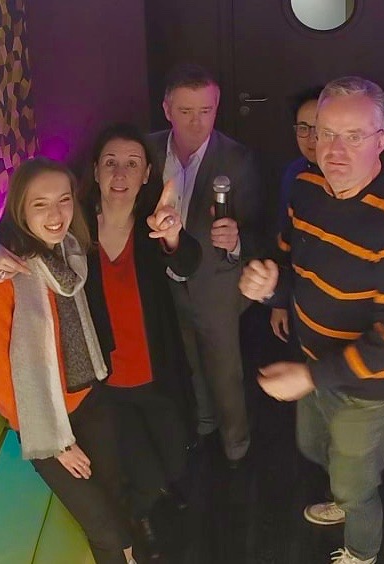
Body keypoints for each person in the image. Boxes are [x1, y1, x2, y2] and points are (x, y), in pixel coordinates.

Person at [239, 76, 384, 564]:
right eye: (326, 133)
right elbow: (294, 270)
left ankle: (361, 548)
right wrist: (269, 287)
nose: (335, 150)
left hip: (372, 387)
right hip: (316, 364)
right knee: (315, 447)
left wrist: (309, 376)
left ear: (381, 142)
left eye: (354, 136)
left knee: (356, 481)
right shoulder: (306, 187)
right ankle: (345, 492)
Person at [0, 125, 201, 559]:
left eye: (132, 164)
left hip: (133, 380)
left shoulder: (93, 242)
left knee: (161, 470)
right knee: (116, 506)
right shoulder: (61, 242)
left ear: (147, 173)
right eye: (110, 162)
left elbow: (187, 261)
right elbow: (14, 238)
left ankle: (140, 536)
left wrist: (172, 234)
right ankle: (134, 542)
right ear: (94, 171)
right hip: (98, 389)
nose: (120, 173)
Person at [0, 157, 137, 564]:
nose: (56, 214)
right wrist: (59, 444)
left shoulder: (69, 252)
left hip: (88, 397)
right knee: (103, 525)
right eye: (40, 204)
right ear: (20, 209)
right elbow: (3, 390)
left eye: (63, 200)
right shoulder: (1, 283)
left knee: (118, 496)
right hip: (42, 423)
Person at [149, 63, 263, 466]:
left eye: (206, 111)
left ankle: (237, 446)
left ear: (217, 108)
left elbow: (257, 227)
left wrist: (237, 240)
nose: (196, 123)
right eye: (185, 112)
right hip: (163, 279)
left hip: (215, 282)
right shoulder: (145, 151)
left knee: (224, 368)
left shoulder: (238, 159)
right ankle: (203, 424)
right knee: (187, 359)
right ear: (167, 109)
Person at [269, 85, 323, 349]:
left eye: (318, 128)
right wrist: (279, 302)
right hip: (299, 292)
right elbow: (284, 235)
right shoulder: (294, 173)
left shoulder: (351, 177)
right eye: (303, 128)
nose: (311, 138)